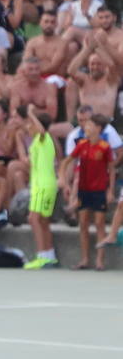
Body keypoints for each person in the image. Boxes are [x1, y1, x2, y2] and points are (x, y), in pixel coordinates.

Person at [61, 113, 112, 271]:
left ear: (98, 128)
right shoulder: (82, 144)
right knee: (83, 224)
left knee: (99, 224)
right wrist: (64, 180)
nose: (86, 127)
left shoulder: (105, 147)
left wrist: (110, 190)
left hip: (99, 190)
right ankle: (84, 259)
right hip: (83, 189)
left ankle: (99, 261)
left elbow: (111, 168)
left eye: (89, 125)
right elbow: (66, 161)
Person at [22, 106, 61, 270]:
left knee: (34, 219)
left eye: (30, 124)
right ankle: (50, 256)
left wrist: (30, 112)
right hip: (41, 185)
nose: (28, 127)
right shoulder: (37, 142)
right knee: (43, 220)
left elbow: (41, 130)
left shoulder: (43, 138)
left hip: (43, 186)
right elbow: (27, 163)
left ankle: (41, 256)